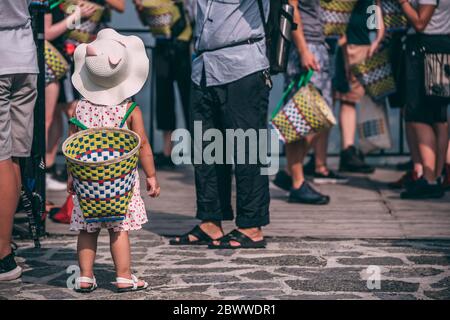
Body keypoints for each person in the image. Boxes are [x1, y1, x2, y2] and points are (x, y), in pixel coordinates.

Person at [170, 0, 271, 249]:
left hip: (243, 64)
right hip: (204, 66)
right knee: (207, 150)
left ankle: (251, 225)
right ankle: (210, 221)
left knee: (247, 148)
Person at [67, 29, 160, 292]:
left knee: (88, 228)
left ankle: (85, 276)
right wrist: (151, 176)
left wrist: (71, 177)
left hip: (87, 183)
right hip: (120, 184)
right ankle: (123, 276)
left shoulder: (78, 109)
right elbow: (143, 146)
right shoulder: (130, 110)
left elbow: (72, 147)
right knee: (118, 229)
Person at [273, 0, 348, 205]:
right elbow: (292, 8)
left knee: (318, 116)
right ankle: (296, 182)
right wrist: (304, 50)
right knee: (302, 118)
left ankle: (291, 172)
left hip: (318, 45)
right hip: (306, 47)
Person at [0, 0, 38, 281]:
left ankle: (2, 254)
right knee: (13, 156)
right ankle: (6, 242)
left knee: (1, 158)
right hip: (26, 60)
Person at [398, 0, 450, 199]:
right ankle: (435, 177)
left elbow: (420, 23)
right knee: (439, 117)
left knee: (419, 116)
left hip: (424, 49)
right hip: (441, 47)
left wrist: (403, 3)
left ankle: (428, 178)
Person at [44, 1, 97, 191]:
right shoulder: (49, 3)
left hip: (59, 63)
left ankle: (49, 168)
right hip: (52, 63)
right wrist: (76, 17)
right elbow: (47, 32)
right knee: (56, 117)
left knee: (55, 118)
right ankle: (82, 166)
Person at [134, 0, 194, 167]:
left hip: (182, 45)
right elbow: (146, 21)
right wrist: (140, 8)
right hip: (161, 44)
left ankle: (198, 149)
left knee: (189, 98)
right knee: (164, 99)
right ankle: (168, 152)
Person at [335, 0, 385, 173]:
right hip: (356, 42)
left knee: (349, 99)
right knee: (349, 99)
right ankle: (348, 151)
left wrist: (378, 37)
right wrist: (378, 36)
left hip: (357, 42)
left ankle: (347, 151)